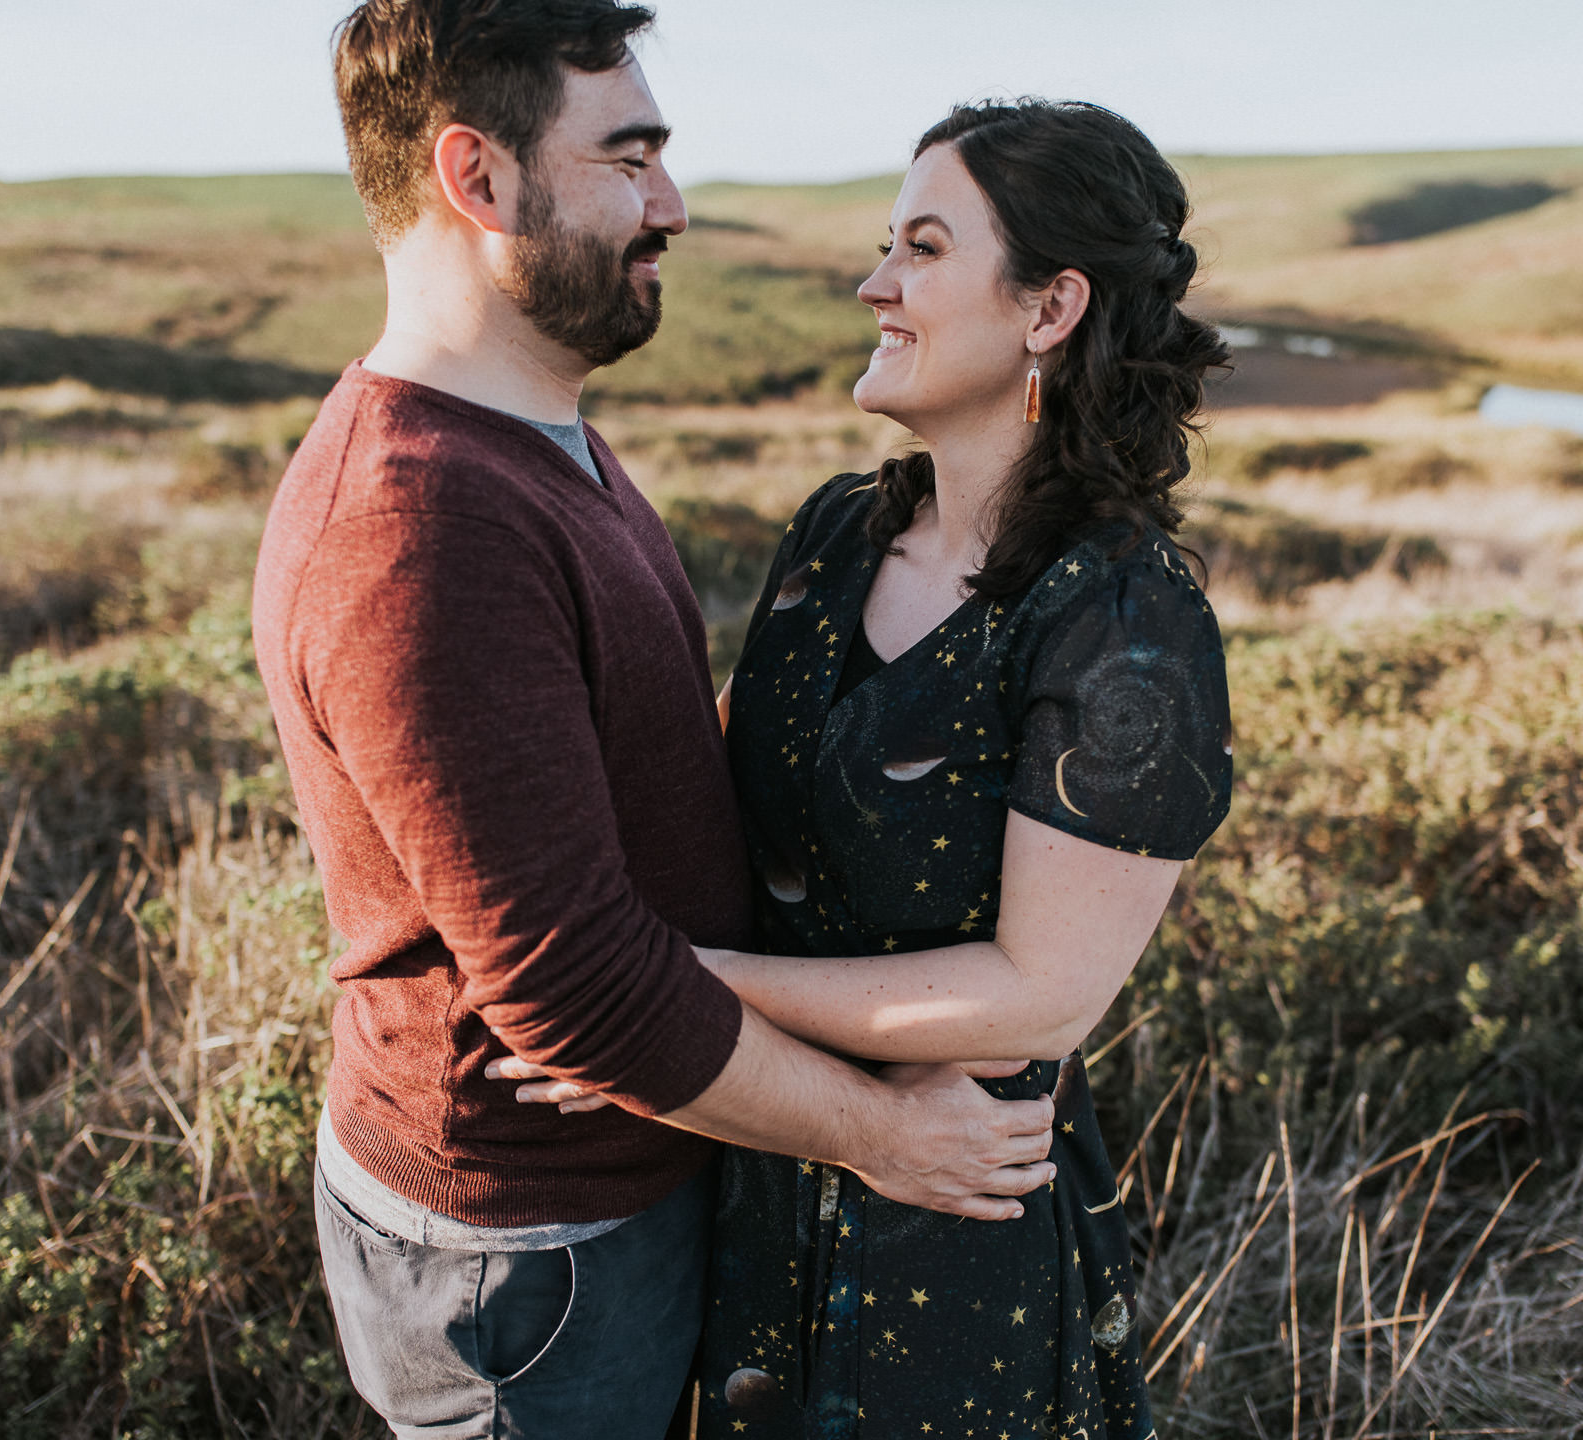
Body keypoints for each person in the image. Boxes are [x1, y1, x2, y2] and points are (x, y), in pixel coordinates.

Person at [250, 6, 1058, 1437]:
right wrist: (890, 1140)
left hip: (642, 1171)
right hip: (529, 1257)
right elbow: (574, 993)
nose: (671, 206)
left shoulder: (530, 431)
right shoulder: (421, 526)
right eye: (629, 160)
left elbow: (638, 752)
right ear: (477, 180)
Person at [502, 100, 1234, 1438]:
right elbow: (710, 793)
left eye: (925, 247)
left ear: (1050, 307)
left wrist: (668, 995)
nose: (873, 283)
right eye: (883, 242)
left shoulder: (1124, 623)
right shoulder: (839, 535)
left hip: (949, 1238)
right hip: (745, 1176)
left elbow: (1038, 999)